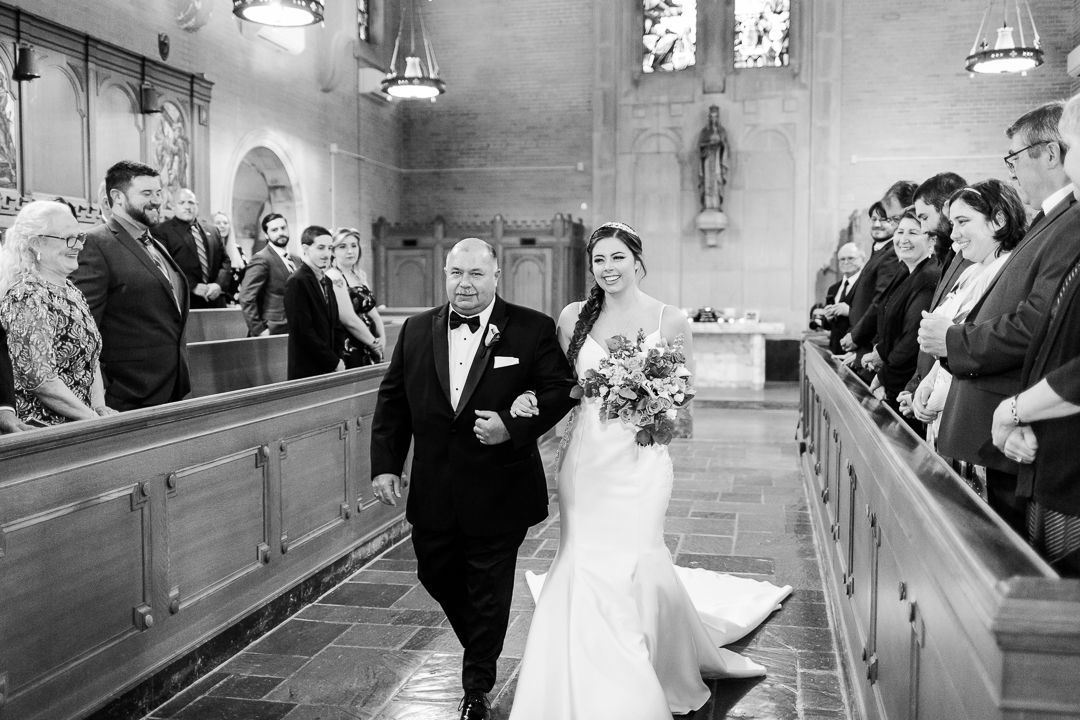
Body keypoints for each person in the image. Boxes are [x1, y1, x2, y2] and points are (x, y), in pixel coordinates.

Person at [505, 222, 791, 720]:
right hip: (586, 463)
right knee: (585, 556)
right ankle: (591, 671)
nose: (608, 268)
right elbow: (554, 384)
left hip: (641, 463)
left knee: (636, 557)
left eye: (617, 258)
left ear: (637, 260)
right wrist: (531, 397)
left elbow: (684, 404)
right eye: (599, 260)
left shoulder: (670, 318)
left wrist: (650, 404)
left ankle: (642, 667)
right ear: (590, 266)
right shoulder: (572, 317)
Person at [369, 238, 577, 720]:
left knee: (489, 586)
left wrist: (512, 424)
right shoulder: (418, 330)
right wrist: (385, 463)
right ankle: (484, 642)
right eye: (456, 273)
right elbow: (393, 399)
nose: (465, 284)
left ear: (496, 276)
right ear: (445, 275)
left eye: (476, 274)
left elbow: (560, 388)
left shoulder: (530, 328)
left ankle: (476, 685)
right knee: (433, 569)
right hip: (435, 485)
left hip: (500, 486)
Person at [919, 101, 1080, 533]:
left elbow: (1037, 325)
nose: (1011, 170)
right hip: (993, 425)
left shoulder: (1071, 222)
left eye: (1014, 158)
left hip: (1021, 432)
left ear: (1050, 153)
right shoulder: (1054, 220)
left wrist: (954, 342)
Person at [989, 94, 1080, 576]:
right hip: (1048, 451)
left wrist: (1015, 408)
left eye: (1073, 144)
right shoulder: (1063, 222)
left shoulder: (1070, 224)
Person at [911, 181, 1026, 448]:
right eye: (953, 224)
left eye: (963, 221)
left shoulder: (1007, 271)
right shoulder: (971, 271)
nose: (954, 234)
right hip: (942, 413)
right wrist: (927, 385)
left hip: (973, 414)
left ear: (998, 220)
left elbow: (986, 345)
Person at [72, 160, 190, 411]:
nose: (157, 200)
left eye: (159, 192)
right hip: (126, 394)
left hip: (171, 385)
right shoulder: (95, 244)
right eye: (146, 193)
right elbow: (84, 328)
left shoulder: (155, 243)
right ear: (117, 197)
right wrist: (100, 395)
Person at [0, 201, 115, 425]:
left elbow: (90, 360)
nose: (79, 246)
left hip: (81, 422)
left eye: (80, 237)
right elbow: (42, 381)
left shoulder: (72, 291)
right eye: (68, 239)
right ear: (36, 244)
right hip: (44, 429)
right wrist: (91, 417)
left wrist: (99, 407)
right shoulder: (26, 297)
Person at [897, 172, 969, 421]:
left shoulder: (971, 259)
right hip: (930, 389)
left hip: (949, 396)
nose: (925, 228)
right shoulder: (953, 256)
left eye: (925, 217)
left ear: (946, 207)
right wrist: (917, 386)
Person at [861, 209, 939, 426]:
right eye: (900, 232)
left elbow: (911, 338)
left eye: (913, 233)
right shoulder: (907, 271)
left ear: (931, 239)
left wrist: (885, 376)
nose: (903, 239)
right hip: (893, 374)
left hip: (904, 385)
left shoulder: (928, 276)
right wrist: (879, 351)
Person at [841, 181, 916, 372]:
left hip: (883, 354)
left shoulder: (894, 254)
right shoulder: (885, 252)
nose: (898, 231)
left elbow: (881, 304)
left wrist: (861, 342)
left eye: (892, 219)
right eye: (892, 220)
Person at [284, 226, 344, 380]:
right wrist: (333, 361)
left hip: (330, 364)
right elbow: (303, 331)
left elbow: (335, 324)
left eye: (330, 248)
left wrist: (338, 357)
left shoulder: (327, 281)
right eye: (321, 248)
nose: (327, 254)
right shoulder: (297, 281)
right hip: (307, 367)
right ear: (305, 248)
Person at [155, 188, 232, 309]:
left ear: (196, 205)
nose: (187, 206)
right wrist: (191, 286)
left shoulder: (213, 230)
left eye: (191, 202)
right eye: (182, 203)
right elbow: (162, 266)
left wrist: (218, 285)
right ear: (173, 206)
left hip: (215, 302)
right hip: (184, 303)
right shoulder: (161, 231)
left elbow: (225, 261)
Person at [324, 227, 385, 367]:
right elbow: (348, 319)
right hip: (351, 343)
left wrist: (382, 337)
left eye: (354, 245)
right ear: (333, 251)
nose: (350, 251)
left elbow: (373, 311)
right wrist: (374, 343)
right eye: (342, 246)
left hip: (370, 341)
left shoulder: (359, 275)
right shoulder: (334, 276)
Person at [238, 213, 301, 336]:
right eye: (274, 230)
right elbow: (246, 297)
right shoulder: (261, 259)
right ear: (266, 234)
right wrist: (259, 330)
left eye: (283, 228)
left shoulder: (297, 260)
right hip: (273, 328)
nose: (280, 232)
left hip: (296, 327)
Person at [820, 242, 865, 355]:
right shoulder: (833, 289)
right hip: (835, 349)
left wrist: (849, 312)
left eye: (851, 258)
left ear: (862, 259)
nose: (846, 262)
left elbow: (873, 317)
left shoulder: (867, 287)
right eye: (842, 259)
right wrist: (827, 317)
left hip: (856, 351)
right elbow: (827, 326)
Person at [698, 105, 728, 211]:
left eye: (715, 116)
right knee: (707, 181)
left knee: (717, 180)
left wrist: (720, 144)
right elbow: (700, 146)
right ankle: (708, 204)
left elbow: (725, 146)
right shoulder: (705, 131)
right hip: (707, 158)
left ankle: (716, 204)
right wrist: (708, 145)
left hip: (717, 160)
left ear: (718, 117)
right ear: (709, 117)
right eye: (711, 116)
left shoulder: (722, 131)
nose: (713, 119)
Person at [213, 210, 246, 304]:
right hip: (216, 303)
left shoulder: (238, 249)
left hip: (237, 303)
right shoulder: (209, 251)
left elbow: (246, 277)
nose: (222, 225)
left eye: (225, 223)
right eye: (218, 223)